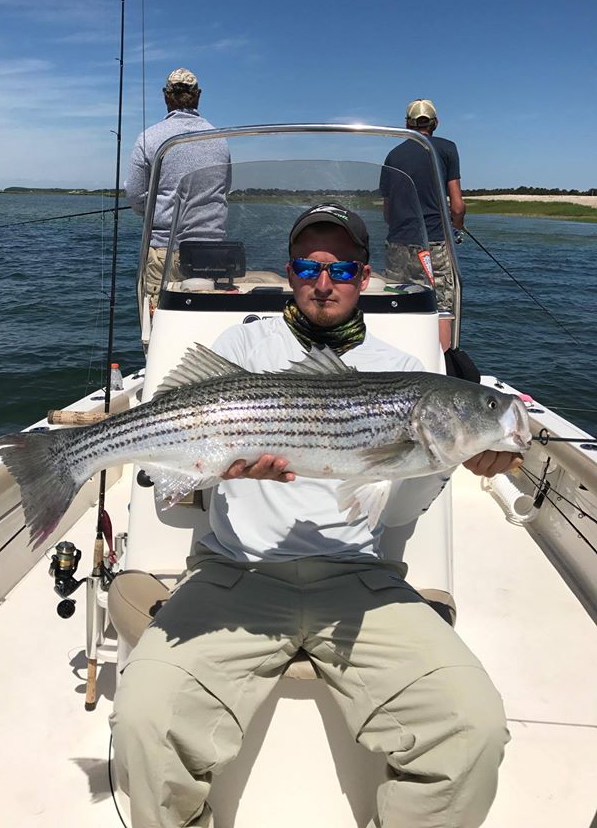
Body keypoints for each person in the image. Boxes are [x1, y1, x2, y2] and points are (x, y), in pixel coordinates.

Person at [111, 202, 519, 828]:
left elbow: (397, 513)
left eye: (343, 269)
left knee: (475, 727)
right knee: (141, 721)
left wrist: (453, 459)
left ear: (365, 275)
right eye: (308, 266)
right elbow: (182, 453)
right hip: (235, 574)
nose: (324, 283)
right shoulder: (244, 344)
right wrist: (214, 467)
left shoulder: (406, 373)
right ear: (290, 271)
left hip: (358, 580)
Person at [124, 68, 231, 303]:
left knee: (160, 326)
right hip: (213, 254)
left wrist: (155, 211)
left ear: (166, 95)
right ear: (198, 95)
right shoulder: (219, 139)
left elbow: (135, 196)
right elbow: (224, 190)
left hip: (165, 251)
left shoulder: (149, 138)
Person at [383, 99, 465, 350]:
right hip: (434, 245)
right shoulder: (446, 149)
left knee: (398, 303)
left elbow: (387, 211)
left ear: (407, 123)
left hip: (398, 244)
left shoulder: (393, 155)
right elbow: (458, 205)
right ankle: (441, 367)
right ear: (435, 123)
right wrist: (457, 229)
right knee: (440, 308)